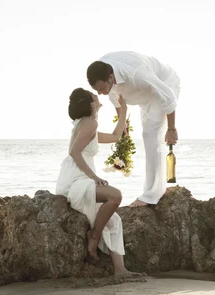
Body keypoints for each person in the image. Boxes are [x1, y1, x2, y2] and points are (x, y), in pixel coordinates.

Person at [55, 88, 136, 276]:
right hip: (74, 181)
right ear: (91, 103)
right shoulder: (89, 123)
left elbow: (116, 136)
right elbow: (74, 153)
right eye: (94, 94)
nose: (97, 96)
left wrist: (123, 109)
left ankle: (120, 270)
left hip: (78, 179)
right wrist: (94, 177)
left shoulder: (87, 124)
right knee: (115, 196)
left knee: (113, 219)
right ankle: (94, 236)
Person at [87, 51, 181, 207]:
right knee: (149, 133)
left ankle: (151, 196)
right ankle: (156, 188)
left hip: (165, 84)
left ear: (111, 78)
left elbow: (168, 96)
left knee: (150, 134)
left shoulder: (137, 73)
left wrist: (171, 129)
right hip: (144, 94)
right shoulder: (101, 69)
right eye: (96, 90)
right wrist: (123, 125)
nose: (100, 94)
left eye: (102, 89)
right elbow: (116, 100)